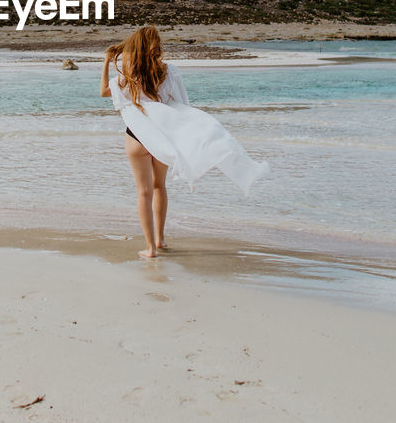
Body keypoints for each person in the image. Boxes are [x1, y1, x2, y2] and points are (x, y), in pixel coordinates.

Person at [100, 25, 270, 259]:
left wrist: (107, 62)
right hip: (162, 138)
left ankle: (149, 248)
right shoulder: (169, 71)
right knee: (159, 187)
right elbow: (181, 103)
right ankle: (160, 240)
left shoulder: (127, 75)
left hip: (136, 137)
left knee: (143, 192)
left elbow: (104, 92)